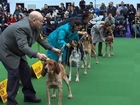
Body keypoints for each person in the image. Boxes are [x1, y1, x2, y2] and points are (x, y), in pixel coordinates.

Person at [0, 11, 61, 105]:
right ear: (33, 21)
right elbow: (23, 46)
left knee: (26, 72)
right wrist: (37, 54)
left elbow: (40, 39)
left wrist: (52, 49)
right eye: (41, 21)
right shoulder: (21, 28)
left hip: (17, 50)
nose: (43, 23)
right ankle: (11, 102)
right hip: (6, 51)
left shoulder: (37, 27)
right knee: (14, 74)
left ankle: (29, 96)